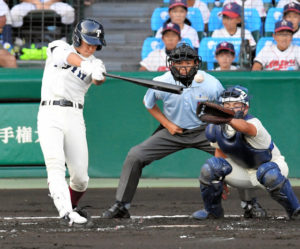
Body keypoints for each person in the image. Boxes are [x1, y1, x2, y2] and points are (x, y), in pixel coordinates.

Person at [102, 43, 224, 219]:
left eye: (188, 63)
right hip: (174, 131)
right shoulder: (162, 81)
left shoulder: (211, 84)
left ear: (196, 63)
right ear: (171, 64)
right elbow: (148, 103)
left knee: (237, 155)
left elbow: (224, 109)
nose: (183, 67)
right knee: (135, 155)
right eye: (179, 63)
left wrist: (216, 130)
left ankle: (250, 204)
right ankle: (121, 205)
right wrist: (168, 125)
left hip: (204, 131)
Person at [192, 85, 300, 220]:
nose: (231, 108)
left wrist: (228, 119)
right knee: (211, 167)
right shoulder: (216, 128)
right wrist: (220, 179)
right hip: (241, 170)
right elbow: (220, 150)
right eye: (227, 104)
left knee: (268, 174)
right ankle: (212, 211)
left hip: (271, 167)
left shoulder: (254, 123)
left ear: (246, 107)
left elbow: (246, 128)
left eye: (236, 104)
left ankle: (295, 211)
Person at [37, 18, 106, 226]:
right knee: (55, 164)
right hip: (50, 112)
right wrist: (86, 65)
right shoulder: (59, 46)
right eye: (88, 43)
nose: (91, 47)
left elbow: (97, 80)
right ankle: (66, 213)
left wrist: (98, 74)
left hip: (75, 115)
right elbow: (67, 57)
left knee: (81, 178)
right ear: (78, 38)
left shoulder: (96, 62)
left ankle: (71, 205)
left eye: (95, 44)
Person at [10, 0, 75, 28]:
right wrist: (36, 2)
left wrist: (49, 3)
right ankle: (19, 37)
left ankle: (64, 36)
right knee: (15, 12)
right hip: (30, 3)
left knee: (69, 11)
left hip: (52, 3)